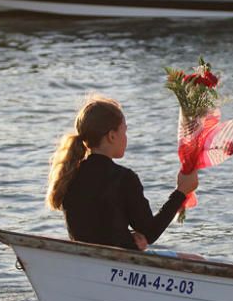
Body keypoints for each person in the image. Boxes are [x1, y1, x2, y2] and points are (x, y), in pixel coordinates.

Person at [47, 96, 199, 251]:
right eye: (124, 131)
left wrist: (128, 236)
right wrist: (181, 192)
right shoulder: (124, 178)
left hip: (84, 259)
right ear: (112, 136)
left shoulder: (69, 175)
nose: (126, 138)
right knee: (195, 259)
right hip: (120, 262)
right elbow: (150, 232)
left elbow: (96, 228)